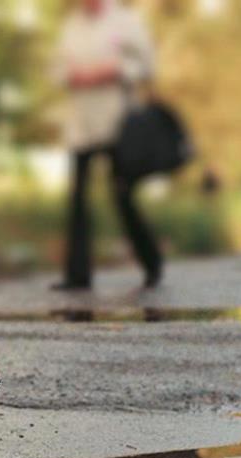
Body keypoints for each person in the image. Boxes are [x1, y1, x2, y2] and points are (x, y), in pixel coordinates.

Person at [52, 0, 163, 289]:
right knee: (78, 200)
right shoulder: (71, 25)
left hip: (118, 124)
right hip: (82, 126)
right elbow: (56, 69)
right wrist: (72, 75)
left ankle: (152, 262)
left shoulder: (125, 21)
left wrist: (115, 69)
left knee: (122, 196)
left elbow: (147, 65)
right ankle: (77, 276)